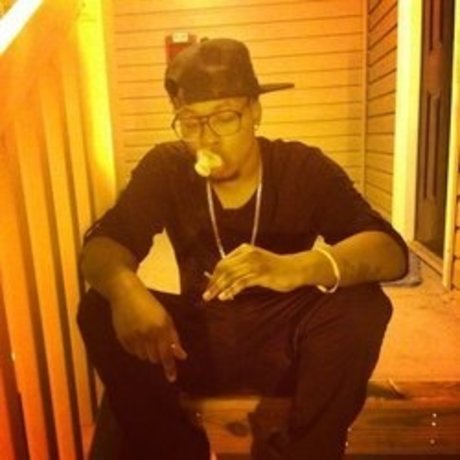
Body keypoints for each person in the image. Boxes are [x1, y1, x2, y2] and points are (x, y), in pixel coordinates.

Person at [77, 38, 408, 460]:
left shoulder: (301, 167)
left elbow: (389, 251)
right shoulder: (167, 167)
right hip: (197, 341)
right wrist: (126, 289)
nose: (207, 139)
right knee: (99, 307)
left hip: (287, 342)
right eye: (191, 122)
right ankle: (173, 451)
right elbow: (107, 242)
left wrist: (296, 267)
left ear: (255, 111)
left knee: (362, 305)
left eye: (224, 117)